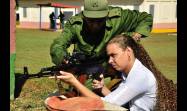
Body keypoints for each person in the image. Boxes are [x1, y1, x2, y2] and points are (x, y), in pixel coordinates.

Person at [47, 34, 177, 111]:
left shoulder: (139, 76)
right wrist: (103, 88)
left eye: (114, 55)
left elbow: (104, 105)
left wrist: (74, 82)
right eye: (109, 56)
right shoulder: (132, 72)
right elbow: (118, 99)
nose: (110, 61)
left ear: (129, 52)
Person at [50, 0, 153, 67]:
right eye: (90, 21)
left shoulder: (117, 18)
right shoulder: (75, 24)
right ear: (84, 16)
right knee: (83, 93)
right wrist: (63, 58)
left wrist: (136, 35)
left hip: (112, 62)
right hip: (86, 65)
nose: (95, 25)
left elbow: (145, 18)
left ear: (107, 15)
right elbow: (58, 45)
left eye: (99, 21)